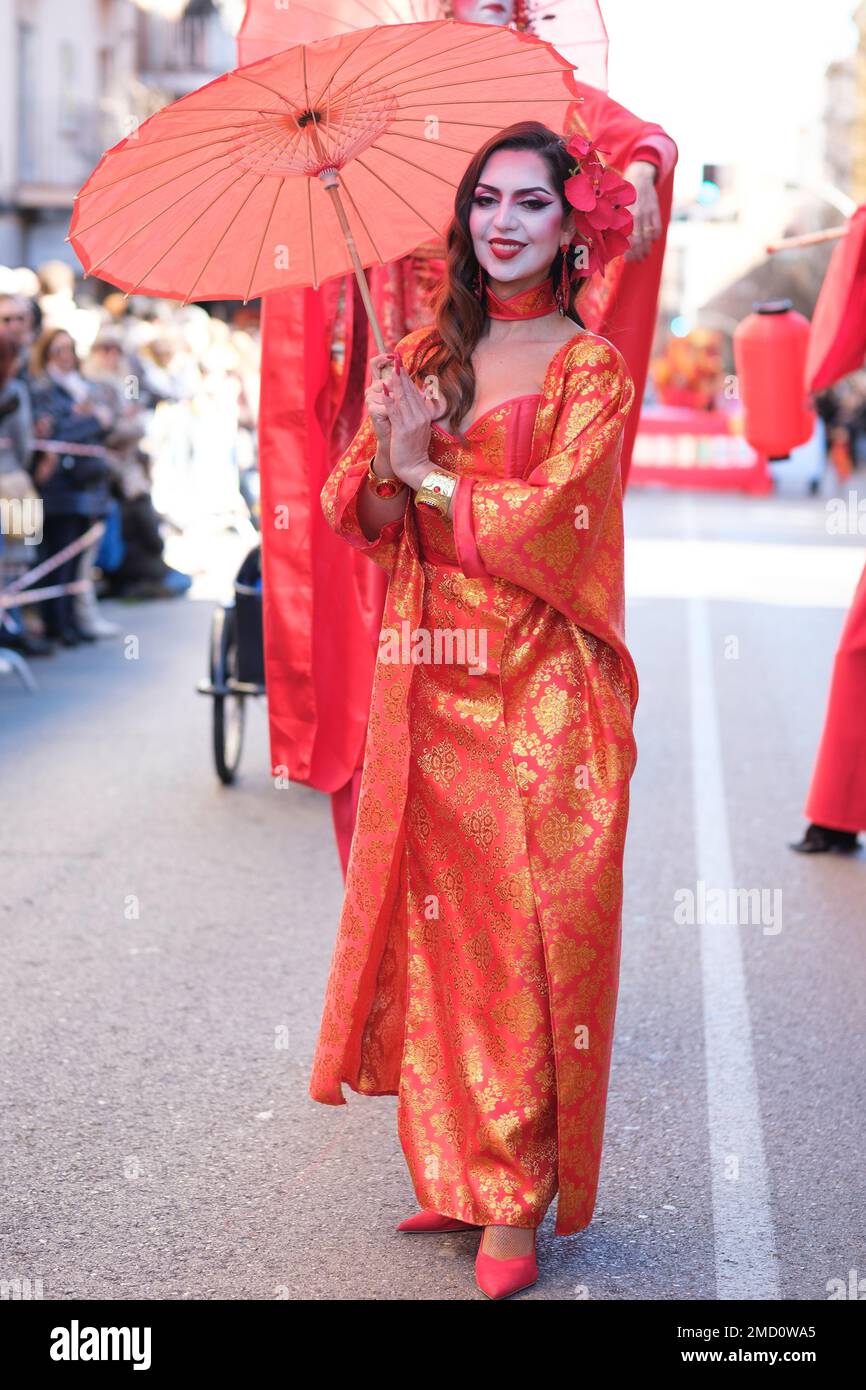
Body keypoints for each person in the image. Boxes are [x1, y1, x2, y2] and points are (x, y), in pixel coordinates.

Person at [309, 121, 639, 1300]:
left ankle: (513, 1196)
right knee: (442, 932)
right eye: (486, 200)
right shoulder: (419, 349)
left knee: (521, 935)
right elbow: (358, 517)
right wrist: (391, 460)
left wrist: (434, 468)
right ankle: (456, 1163)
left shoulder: (588, 369)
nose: (503, 221)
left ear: (569, 225)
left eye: (531, 204)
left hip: (542, 686)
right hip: (430, 676)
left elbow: (560, 523)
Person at [29, 328, 113, 646]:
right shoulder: (43, 389)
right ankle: (56, 623)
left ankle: (70, 620)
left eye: (70, 349)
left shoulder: (84, 387)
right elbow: (58, 432)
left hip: (88, 484)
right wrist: (92, 420)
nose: (66, 356)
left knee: (77, 560)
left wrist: (90, 420)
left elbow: (109, 424)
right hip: (58, 485)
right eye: (58, 350)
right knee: (55, 556)